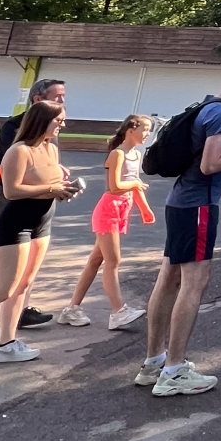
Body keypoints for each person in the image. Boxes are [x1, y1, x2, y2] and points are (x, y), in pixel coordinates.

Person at [135, 60, 221, 399]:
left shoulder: (207, 106)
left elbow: (203, 153)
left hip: (180, 202)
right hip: (198, 206)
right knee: (194, 283)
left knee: (168, 278)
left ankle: (154, 362)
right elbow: (209, 165)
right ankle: (174, 370)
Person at [0, 99, 78, 362]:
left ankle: (5, 344)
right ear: (42, 121)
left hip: (42, 223)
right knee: (2, 290)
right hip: (15, 225)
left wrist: (64, 189)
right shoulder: (19, 151)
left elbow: (49, 183)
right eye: (58, 120)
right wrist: (51, 189)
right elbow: (12, 191)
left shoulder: (51, 148)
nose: (63, 125)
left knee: (23, 285)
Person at [56, 114, 154, 329]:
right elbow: (114, 186)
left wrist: (145, 209)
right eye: (145, 129)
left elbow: (134, 184)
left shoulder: (136, 155)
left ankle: (71, 309)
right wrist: (135, 185)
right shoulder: (117, 154)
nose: (148, 134)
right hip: (109, 209)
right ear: (131, 130)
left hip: (122, 209)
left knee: (96, 261)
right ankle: (118, 311)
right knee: (113, 261)